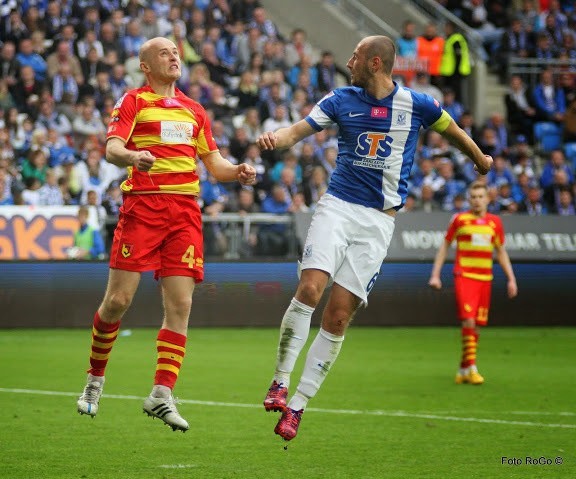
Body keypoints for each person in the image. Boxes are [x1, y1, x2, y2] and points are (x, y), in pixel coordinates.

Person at [256, 35, 493, 442]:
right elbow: (297, 131)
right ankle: (279, 381)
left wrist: (479, 158)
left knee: (338, 316)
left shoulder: (417, 104)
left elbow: (453, 129)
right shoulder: (340, 99)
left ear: (376, 63)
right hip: (338, 207)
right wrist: (272, 140)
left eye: (356, 57)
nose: (349, 61)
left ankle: (297, 406)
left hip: (379, 223)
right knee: (311, 288)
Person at [76, 37, 256, 432]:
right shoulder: (133, 101)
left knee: (180, 305)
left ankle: (161, 393)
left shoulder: (194, 110)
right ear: (145, 65)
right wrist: (133, 156)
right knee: (118, 301)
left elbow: (215, 164)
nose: (174, 57)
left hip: (185, 214)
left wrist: (237, 170)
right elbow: (111, 149)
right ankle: (95, 378)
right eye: (164, 52)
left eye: (176, 52)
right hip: (143, 207)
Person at [428, 181, 517, 385]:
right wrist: (435, 274)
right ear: (469, 200)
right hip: (465, 276)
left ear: (487, 199)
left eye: (480, 197)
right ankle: (472, 368)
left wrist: (511, 279)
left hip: (485, 279)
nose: (477, 201)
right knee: (468, 320)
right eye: (473, 197)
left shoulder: (495, 223)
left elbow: (501, 252)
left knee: (475, 326)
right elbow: (444, 246)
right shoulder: (460, 220)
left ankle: (462, 368)